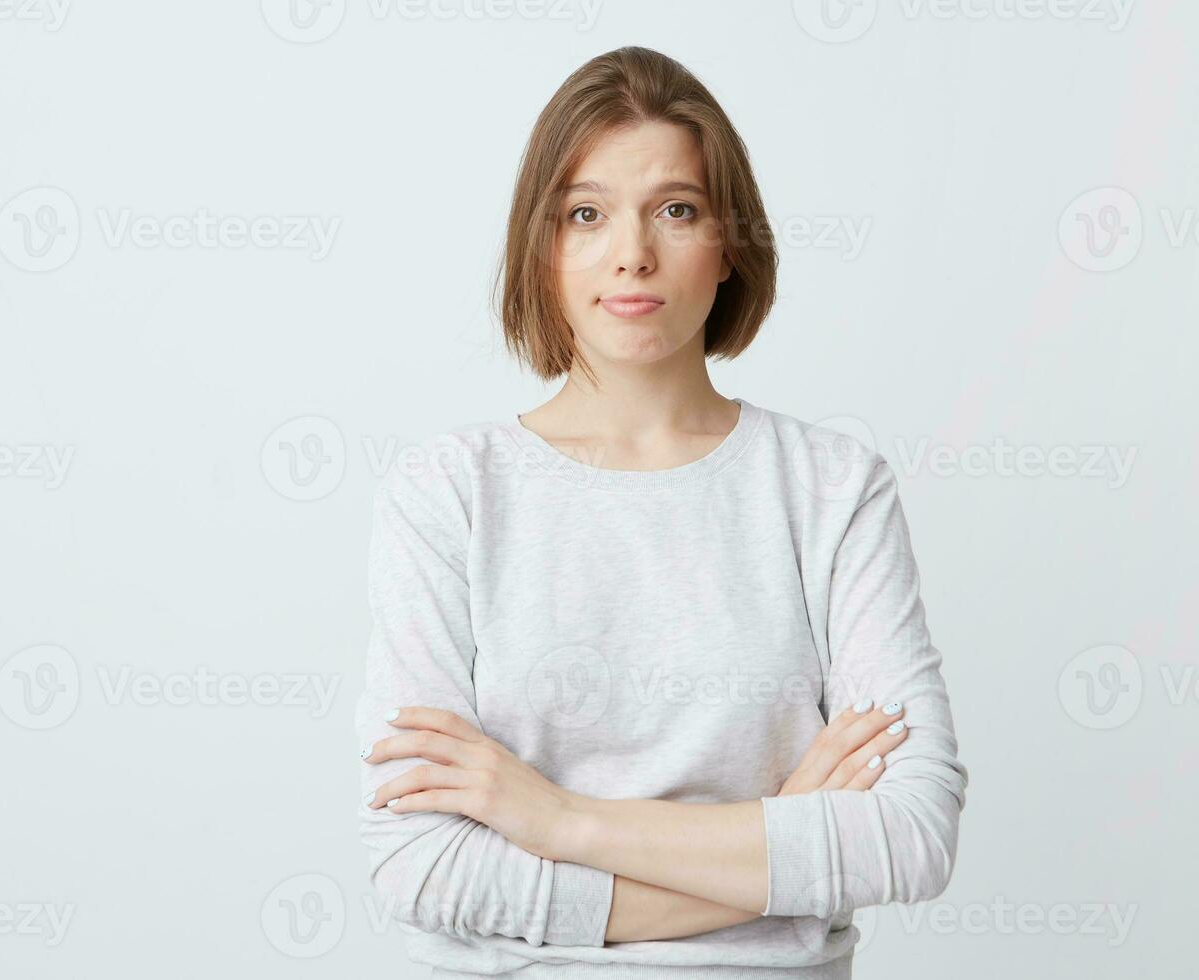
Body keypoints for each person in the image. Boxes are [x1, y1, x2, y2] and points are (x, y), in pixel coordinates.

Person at [355, 45, 968, 979]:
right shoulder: (449, 493)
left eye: (676, 210)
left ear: (730, 243)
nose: (632, 252)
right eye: (586, 214)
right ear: (543, 246)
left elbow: (912, 834)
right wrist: (781, 848)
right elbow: (420, 864)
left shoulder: (834, 489)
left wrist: (560, 820)